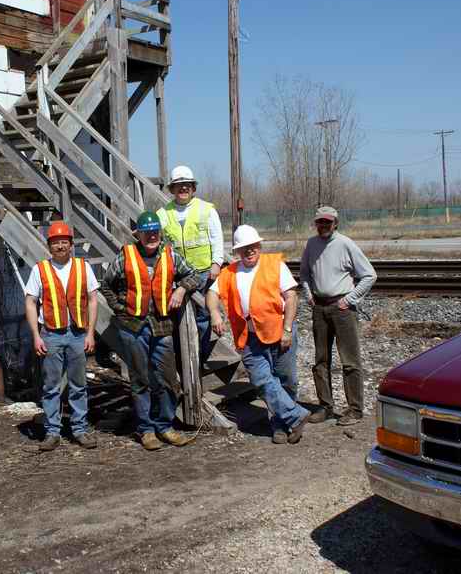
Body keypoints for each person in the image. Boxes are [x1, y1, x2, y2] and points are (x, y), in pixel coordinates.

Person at [100, 211, 203, 451]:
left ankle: (165, 426)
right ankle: (146, 430)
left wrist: (181, 290)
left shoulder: (170, 255)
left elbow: (194, 274)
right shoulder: (125, 255)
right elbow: (106, 285)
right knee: (140, 379)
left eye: (155, 232)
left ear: (160, 232)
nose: (152, 236)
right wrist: (118, 307)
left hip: (162, 326)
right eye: (147, 233)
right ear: (139, 234)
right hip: (133, 327)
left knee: (168, 379)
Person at [206, 225, 309, 444]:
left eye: (252, 246)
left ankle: (281, 425)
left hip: (280, 331)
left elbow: (291, 297)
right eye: (244, 248)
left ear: (259, 246)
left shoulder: (275, 265)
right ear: (237, 251)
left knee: (286, 380)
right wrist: (215, 313)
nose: (249, 251)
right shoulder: (229, 272)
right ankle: (295, 416)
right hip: (249, 337)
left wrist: (288, 330)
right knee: (262, 380)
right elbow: (211, 293)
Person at [23, 221, 100, 451]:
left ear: (71, 245)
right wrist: (36, 336)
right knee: (51, 386)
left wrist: (90, 333)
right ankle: (52, 432)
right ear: (49, 246)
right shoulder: (40, 269)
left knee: (79, 385)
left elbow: (93, 299)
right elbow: (30, 302)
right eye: (55, 243)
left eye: (64, 242)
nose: (60, 247)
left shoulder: (83, 267)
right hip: (51, 335)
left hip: (77, 334)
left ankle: (79, 429)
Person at [298, 206, 377, 427]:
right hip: (319, 309)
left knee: (350, 361)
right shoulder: (311, 244)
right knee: (320, 361)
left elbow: (369, 275)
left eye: (328, 222)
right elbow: (304, 273)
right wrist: (308, 295)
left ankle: (355, 409)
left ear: (336, 223)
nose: (323, 225)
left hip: (342, 309)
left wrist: (349, 300)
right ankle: (325, 407)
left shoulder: (345, 244)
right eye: (320, 222)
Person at [156, 165, 224, 366]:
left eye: (186, 185)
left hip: (203, 273)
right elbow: (152, 235)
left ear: (193, 187)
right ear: (172, 189)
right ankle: (180, 361)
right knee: (177, 319)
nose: (183, 189)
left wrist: (216, 263)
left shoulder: (206, 210)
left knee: (203, 318)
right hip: (176, 275)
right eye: (178, 186)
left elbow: (216, 238)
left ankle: (199, 358)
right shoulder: (163, 213)